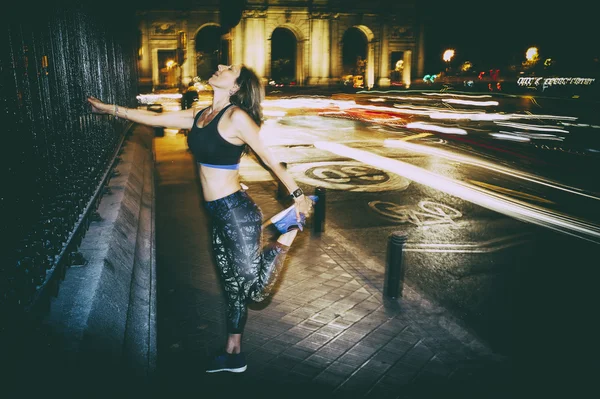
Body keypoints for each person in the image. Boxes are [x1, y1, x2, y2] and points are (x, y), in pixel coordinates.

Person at [87, 64, 316, 374]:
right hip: (217, 214)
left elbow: (268, 157)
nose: (221, 66)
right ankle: (233, 354)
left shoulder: (237, 118)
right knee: (231, 287)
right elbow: (155, 118)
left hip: (236, 213)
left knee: (255, 292)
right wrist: (109, 108)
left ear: (235, 87)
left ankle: (287, 227)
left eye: (229, 69)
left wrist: (297, 195)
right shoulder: (200, 113)